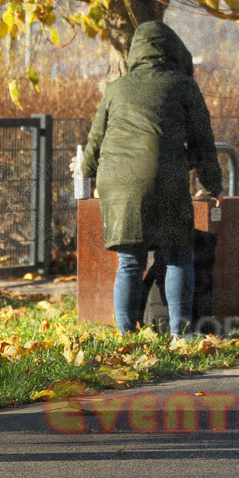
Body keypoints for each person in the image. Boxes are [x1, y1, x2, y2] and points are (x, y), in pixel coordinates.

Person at [73, 21, 223, 339]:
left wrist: (84, 173)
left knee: (129, 260)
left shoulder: (116, 88)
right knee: (178, 254)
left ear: (135, 54)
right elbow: (203, 139)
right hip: (164, 176)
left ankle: (126, 338)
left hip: (118, 181)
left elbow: (96, 139)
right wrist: (211, 185)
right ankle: (180, 335)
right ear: (172, 50)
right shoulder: (182, 86)